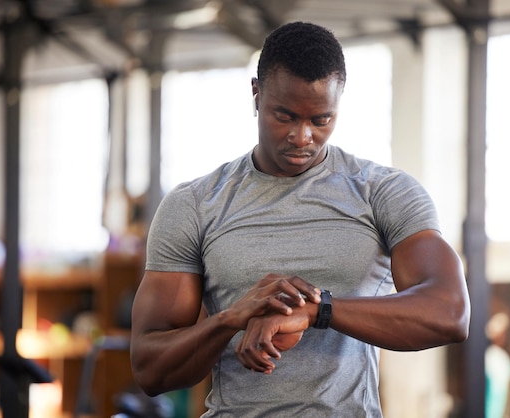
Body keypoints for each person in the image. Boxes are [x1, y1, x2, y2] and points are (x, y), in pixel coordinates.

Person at [130, 21, 471, 417]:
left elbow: (450, 313)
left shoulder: (383, 192)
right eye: (285, 115)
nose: (302, 136)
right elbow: (149, 369)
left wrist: (316, 310)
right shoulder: (195, 204)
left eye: (321, 120)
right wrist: (230, 319)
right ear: (256, 95)